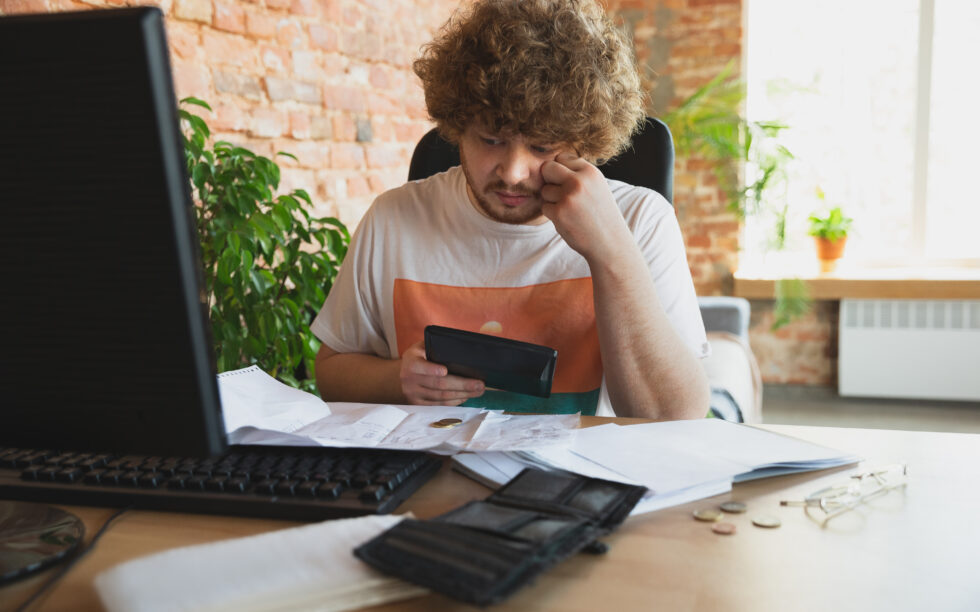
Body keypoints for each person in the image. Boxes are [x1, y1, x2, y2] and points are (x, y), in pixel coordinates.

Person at [311, 0, 710, 419]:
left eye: (541, 147)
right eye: (490, 140)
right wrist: (396, 381)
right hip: (427, 478)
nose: (514, 173)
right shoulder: (392, 220)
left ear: (583, 143)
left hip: (580, 478)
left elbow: (677, 418)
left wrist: (609, 250)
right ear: (457, 127)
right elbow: (331, 372)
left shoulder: (640, 220)